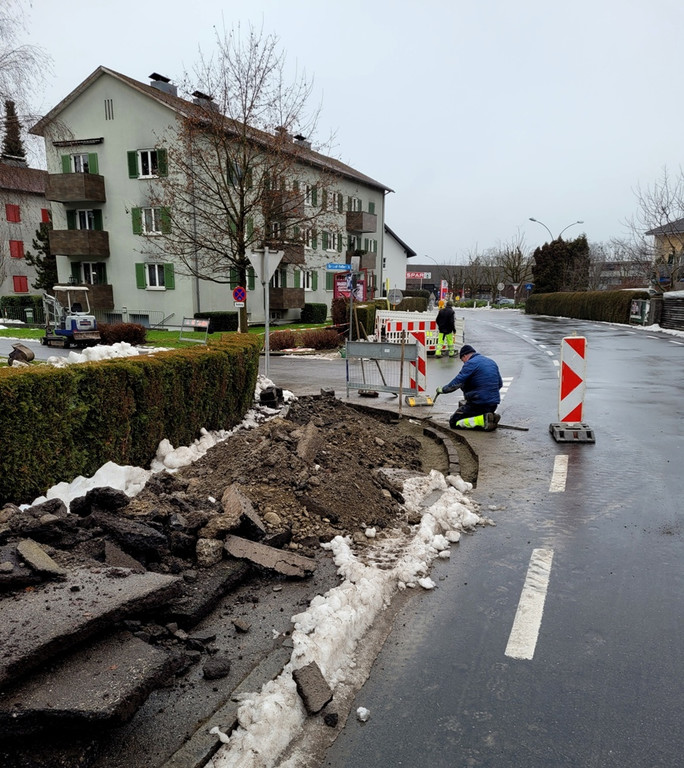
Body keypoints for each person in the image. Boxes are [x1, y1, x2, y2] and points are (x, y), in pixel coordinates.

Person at [436, 344, 503, 430]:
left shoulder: (471, 363)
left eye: (462, 360)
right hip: (493, 405)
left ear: (465, 356)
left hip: (478, 404)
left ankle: (483, 420)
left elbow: (457, 382)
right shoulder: (491, 362)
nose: (463, 362)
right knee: (471, 412)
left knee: (454, 422)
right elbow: (500, 384)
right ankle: (489, 417)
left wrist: (443, 389)